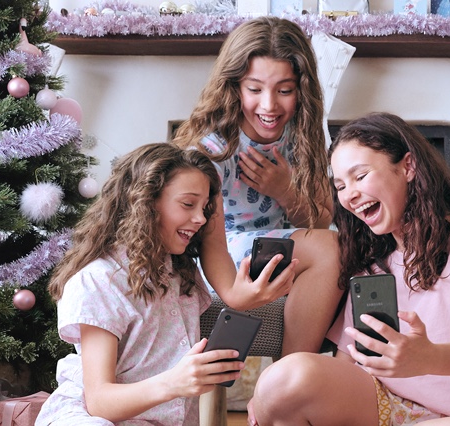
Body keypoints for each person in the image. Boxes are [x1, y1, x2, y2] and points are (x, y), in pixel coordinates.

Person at [248, 113, 450, 425]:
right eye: (340, 186)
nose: (349, 195)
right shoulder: (370, 260)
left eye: (360, 176)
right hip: (380, 407)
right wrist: (267, 395)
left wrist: (427, 357)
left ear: (408, 167)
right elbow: (349, 360)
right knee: (281, 380)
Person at [35, 143, 294, 425]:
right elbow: (99, 402)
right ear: (145, 202)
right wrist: (174, 382)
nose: (200, 219)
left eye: (204, 207)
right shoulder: (98, 279)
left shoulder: (181, 273)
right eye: (188, 204)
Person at [173, 16, 344, 355]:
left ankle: (298, 374)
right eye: (254, 90)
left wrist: (285, 191)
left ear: (302, 90)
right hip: (223, 251)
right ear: (234, 86)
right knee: (332, 249)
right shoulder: (213, 147)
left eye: (285, 91)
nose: (269, 105)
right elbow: (205, 239)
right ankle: (294, 369)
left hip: (284, 246)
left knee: (343, 247)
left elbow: (322, 220)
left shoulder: (301, 133)